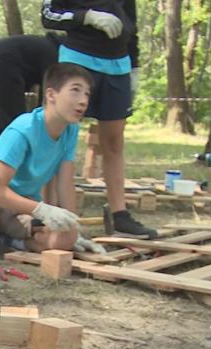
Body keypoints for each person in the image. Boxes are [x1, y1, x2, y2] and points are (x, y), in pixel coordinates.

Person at [0, 63, 105, 258]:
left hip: (24, 210)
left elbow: (65, 183)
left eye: (87, 94)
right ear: (51, 95)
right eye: (75, 91)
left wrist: (72, 228)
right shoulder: (24, 129)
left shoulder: (70, 129)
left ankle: (10, 241)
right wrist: (42, 210)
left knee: (65, 238)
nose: (83, 101)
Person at [42, 0, 157, 239]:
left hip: (118, 65)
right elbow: (48, 15)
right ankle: (50, 213)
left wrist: (134, 66)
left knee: (114, 141)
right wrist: (87, 17)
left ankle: (121, 217)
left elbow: (130, 23)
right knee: (58, 136)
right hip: (78, 57)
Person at [0, 33, 64, 151]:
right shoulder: (54, 55)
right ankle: (17, 165)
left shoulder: (44, 46)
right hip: (1, 65)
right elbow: (48, 102)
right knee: (16, 126)